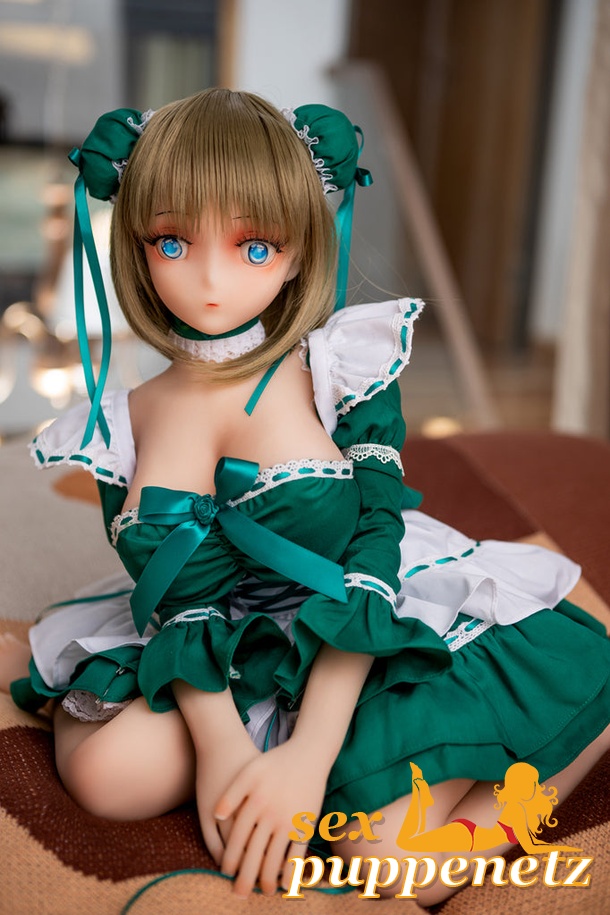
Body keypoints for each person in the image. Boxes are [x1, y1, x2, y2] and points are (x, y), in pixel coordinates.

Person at [1, 88, 609, 906]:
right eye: (173, 241)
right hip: (224, 639)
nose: (210, 278)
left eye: (253, 246)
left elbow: (369, 558)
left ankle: (591, 716)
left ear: (296, 251)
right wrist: (225, 752)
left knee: (393, 862)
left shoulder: (341, 370)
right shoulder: (121, 424)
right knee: (109, 776)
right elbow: (179, 602)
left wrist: (308, 758)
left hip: (366, 611)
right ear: (137, 244)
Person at [396, 761, 581, 855]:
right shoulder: (517, 809)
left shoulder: (515, 805)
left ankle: (421, 797)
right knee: (406, 847)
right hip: (469, 837)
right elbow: (531, 847)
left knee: (406, 846)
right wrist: (566, 849)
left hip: (469, 835)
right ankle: (421, 797)